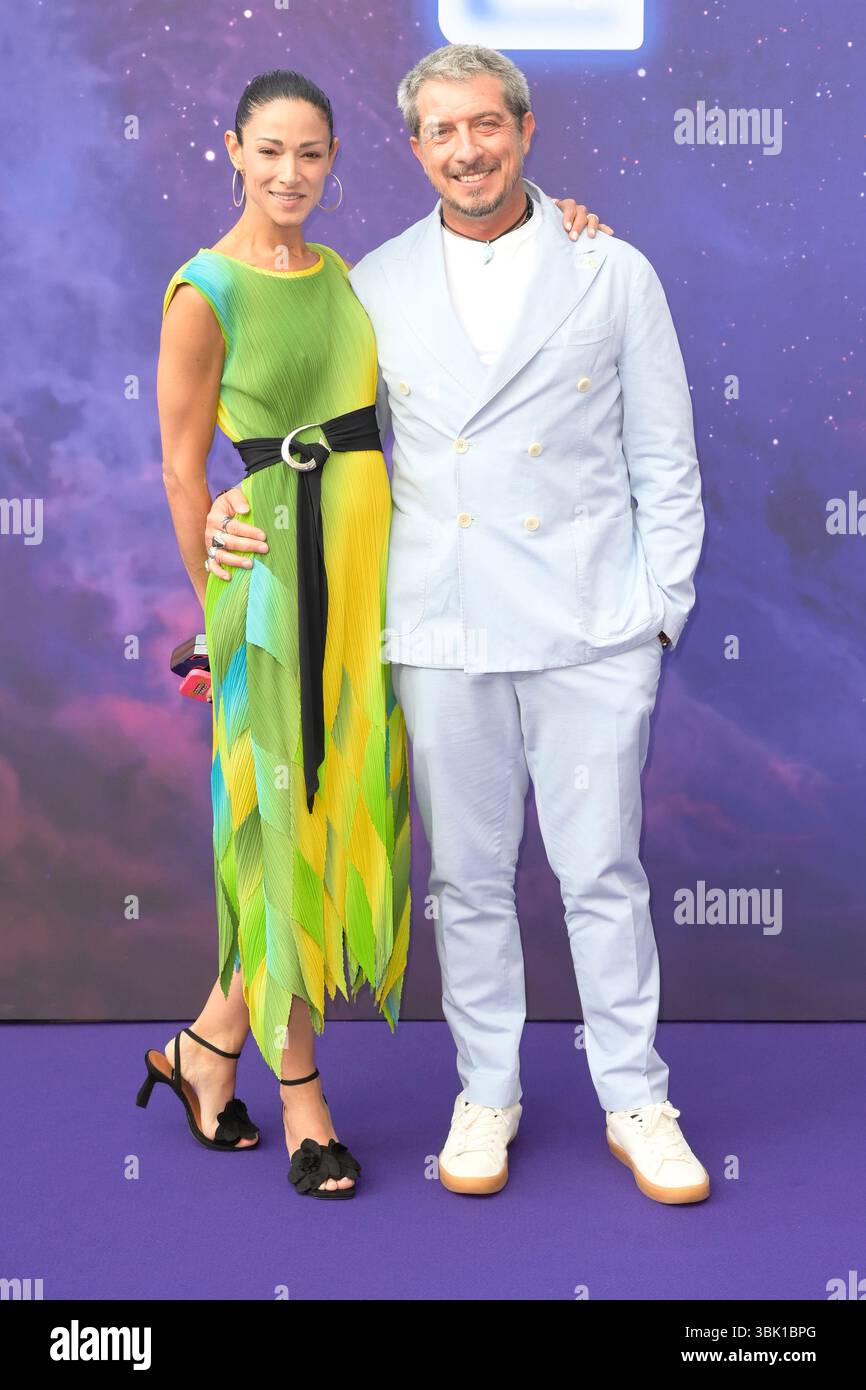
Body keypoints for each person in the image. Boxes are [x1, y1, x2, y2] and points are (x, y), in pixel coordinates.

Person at [150, 66, 601, 1199]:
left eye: (311, 154)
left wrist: (567, 227)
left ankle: (205, 1047)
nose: (289, 174)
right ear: (233, 150)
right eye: (269, 153)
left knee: (341, 813)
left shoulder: (349, 276)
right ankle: (301, 1096)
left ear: (335, 159)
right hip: (276, 591)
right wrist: (209, 601)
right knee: (284, 832)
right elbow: (178, 460)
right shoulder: (205, 290)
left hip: (371, 588)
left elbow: (472, 285)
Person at [345, 43, 709, 1205]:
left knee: (602, 869)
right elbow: (329, 456)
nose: (466, 150)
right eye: (441, 132)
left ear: (525, 128)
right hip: (441, 629)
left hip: (591, 620)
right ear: (415, 149)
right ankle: (485, 1089)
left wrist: (658, 614)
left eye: (485, 125)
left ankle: (634, 1095)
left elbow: (665, 459)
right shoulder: (374, 283)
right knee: (466, 878)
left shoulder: (612, 272)